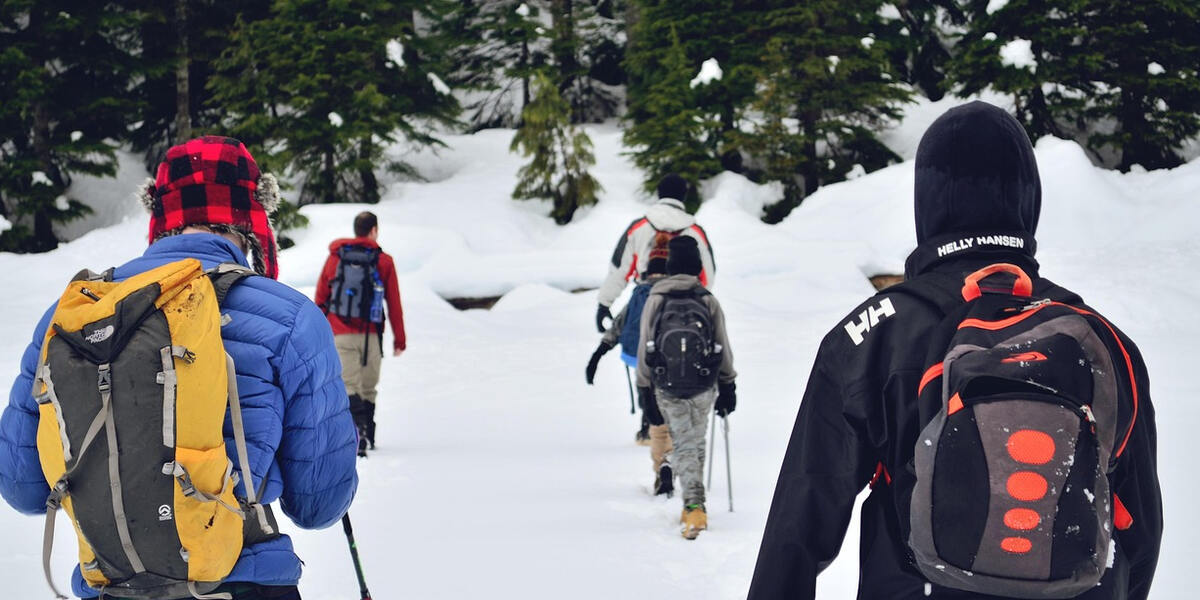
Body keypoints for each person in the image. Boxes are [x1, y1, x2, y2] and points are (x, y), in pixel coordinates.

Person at [747, 102, 1162, 599]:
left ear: (928, 202)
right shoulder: (1103, 340)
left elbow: (799, 522)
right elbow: (1141, 532)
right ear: (1028, 201)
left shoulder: (872, 334)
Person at [0, 136, 359, 600]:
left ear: (160, 215)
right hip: (243, 583)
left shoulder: (73, 313)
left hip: (112, 586)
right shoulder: (290, 317)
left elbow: (22, 486)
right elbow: (319, 504)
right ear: (252, 217)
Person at [636, 236, 737, 539]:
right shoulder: (707, 299)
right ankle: (694, 503)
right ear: (696, 266)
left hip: (666, 384)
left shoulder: (656, 299)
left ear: (670, 266)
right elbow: (722, 343)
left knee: (683, 443)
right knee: (694, 441)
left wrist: (644, 389)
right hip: (703, 382)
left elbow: (645, 345)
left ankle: (694, 506)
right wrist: (728, 384)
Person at [314, 211, 406, 457]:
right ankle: (368, 434)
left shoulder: (336, 257)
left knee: (349, 384)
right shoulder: (383, 261)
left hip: (340, 332)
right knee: (368, 387)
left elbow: (321, 297)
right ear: (374, 230)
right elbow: (394, 303)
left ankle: (358, 434)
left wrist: (321, 333)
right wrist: (400, 339)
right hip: (371, 335)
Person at [586, 244, 673, 496]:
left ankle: (649, 432)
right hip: (669, 362)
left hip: (639, 358)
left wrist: (598, 354)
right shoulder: (674, 294)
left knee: (648, 398)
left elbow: (619, 325)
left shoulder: (639, 294)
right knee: (668, 407)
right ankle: (669, 456)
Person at [595, 173, 715, 334]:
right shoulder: (695, 231)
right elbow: (707, 276)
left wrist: (604, 303)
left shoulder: (639, 227)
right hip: (683, 307)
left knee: (638, 346)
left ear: (659, 194)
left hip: (644, 302)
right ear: (683, 196)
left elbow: (620, 268)